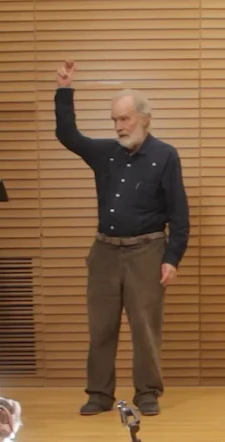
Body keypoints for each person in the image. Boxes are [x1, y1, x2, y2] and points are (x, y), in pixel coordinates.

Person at [54, 60, 190, 417]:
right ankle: (100, 394)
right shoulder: (105, 153)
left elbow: (179, 213)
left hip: (148, 251)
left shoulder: (165, 155)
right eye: (114, 120)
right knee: (101, 327)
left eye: (125, 119)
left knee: (145, 328)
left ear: (144, 118)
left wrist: (172, 258)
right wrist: (64, 89)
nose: (118, 126)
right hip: (104, 252)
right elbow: (68, 136)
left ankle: (147, 392)